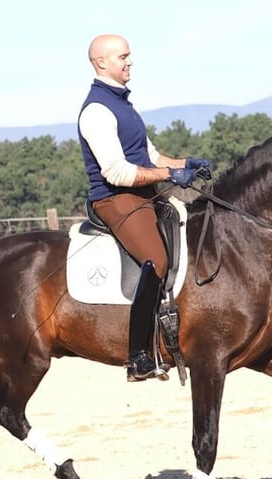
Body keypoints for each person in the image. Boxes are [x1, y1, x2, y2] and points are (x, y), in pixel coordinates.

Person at [77, 33, 210, 382]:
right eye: (123, 56)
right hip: (115, 199)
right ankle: (137, 356)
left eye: (129, 55)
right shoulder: (96, 110)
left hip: (144, 193)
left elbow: (150, 156)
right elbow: (117, 171)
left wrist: (185, 163)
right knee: (158, 260)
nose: (129, 61)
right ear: (101, 63)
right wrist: (170, 174)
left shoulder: (124, 105)